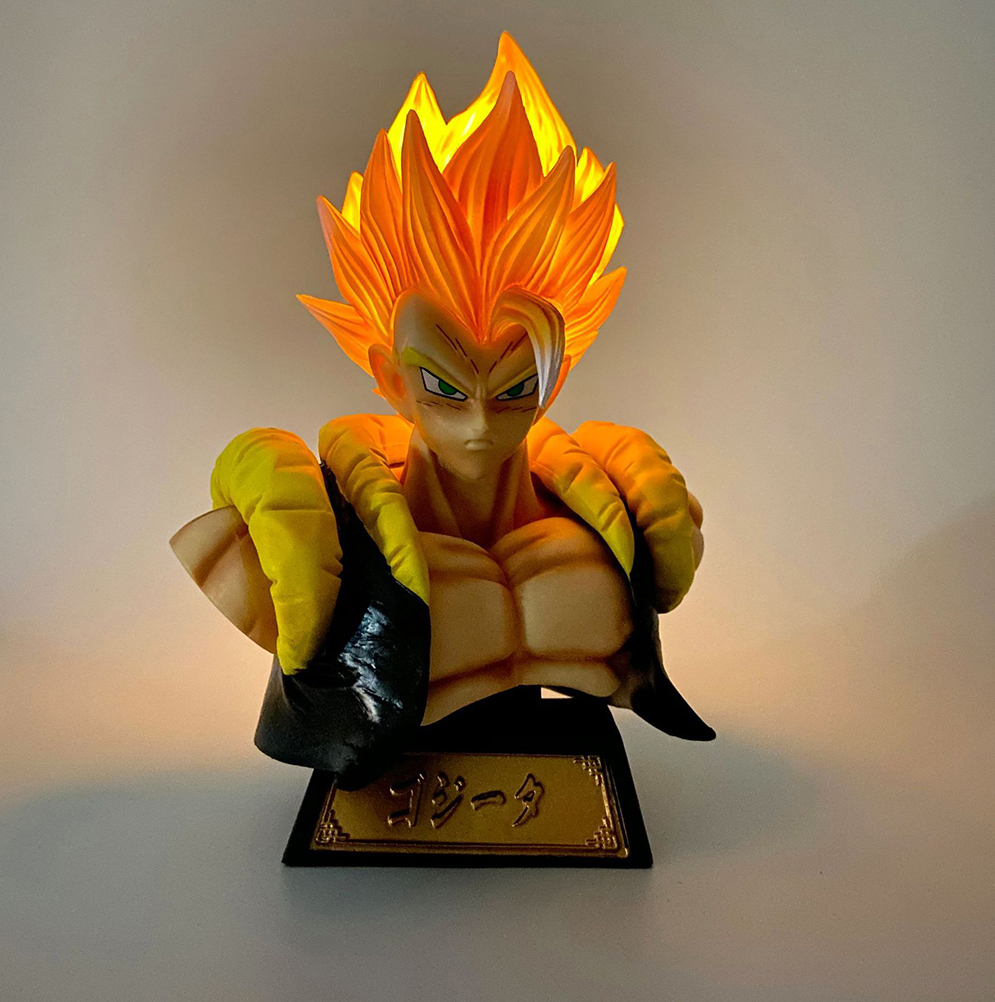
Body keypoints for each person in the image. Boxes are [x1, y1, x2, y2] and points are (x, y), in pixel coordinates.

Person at [171, 33, 713, 789]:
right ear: (389, 378)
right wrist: (268, 493)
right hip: (395, 796)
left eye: (515, 388)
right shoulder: (323, 530)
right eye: (446, 388)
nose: (481, 423)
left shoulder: (608, 509)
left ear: (554, 381)